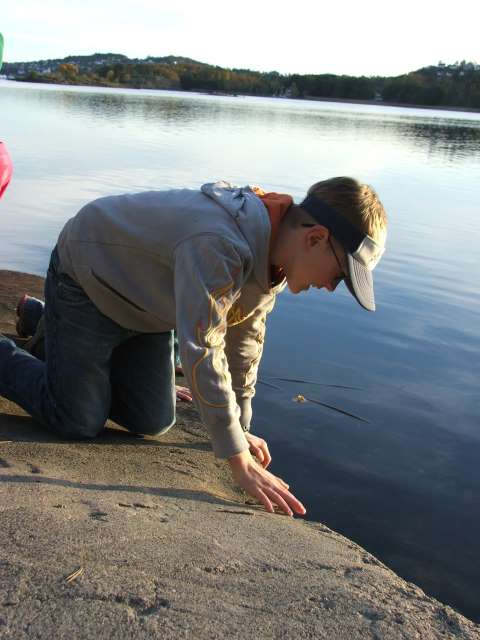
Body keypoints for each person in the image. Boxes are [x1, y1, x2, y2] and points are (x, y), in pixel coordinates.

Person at [0, 178, 387, 517]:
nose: (332, 287)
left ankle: (46, 325)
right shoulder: (220, 243)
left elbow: (245, 339)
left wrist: (240, 427)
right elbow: (202, 346)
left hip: (148, 310)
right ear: (315, 238)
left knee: (152, 421)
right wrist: (237, 460)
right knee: (76, 419)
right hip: (91, 281)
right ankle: (36, 340)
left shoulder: (276, 261)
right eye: (339, 275)